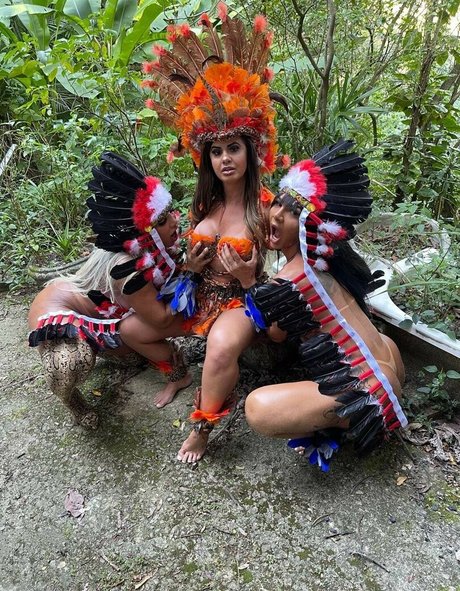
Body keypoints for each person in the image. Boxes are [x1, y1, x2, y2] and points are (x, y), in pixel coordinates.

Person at [142, 4, 288, 462]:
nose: (226, 158)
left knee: (221, 347)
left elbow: (290, 271)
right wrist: (188, 266)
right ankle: (176, 372)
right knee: (133, 325)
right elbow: (183, 260)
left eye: (234, 148)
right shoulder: (203, 204)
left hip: (243, 301)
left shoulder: (268, 208)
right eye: (217, 151)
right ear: (206, 159)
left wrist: (249, 280)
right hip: (196, 295)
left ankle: (202, 429)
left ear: (250, 151)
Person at [243, 140, 408, 471]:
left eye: (293, 212)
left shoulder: (289, 280)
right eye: (277, 203)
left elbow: (275, 335)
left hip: (370, 395)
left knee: (256, 407)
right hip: (390, 365)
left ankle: (348, 423)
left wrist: (248, 281)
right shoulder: (331, 261)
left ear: (310, 224)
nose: (277, 214)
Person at [28, 153, 198, 427]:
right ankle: (72, 400)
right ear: (144, 232)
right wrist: (194, 272)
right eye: (162, 220)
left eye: (171, 212)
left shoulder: (148, 248)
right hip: (58, 314)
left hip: (100, 312)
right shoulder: (128, 268)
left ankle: (130, 354)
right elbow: (162, 319)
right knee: (71, 362)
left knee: (132, 338)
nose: (174, 221)